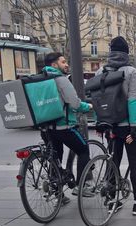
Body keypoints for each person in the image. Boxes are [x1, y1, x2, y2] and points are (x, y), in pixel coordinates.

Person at [95, 36, 136, 215]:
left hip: (109, 126)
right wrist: (134, 126)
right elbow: (133, 101)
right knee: (135, 163)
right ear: (126, 52)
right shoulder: (131, 72)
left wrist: (100, 122)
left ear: (111, 52)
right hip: (126, 127)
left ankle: (112, 200)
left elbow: (97, 100)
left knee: (113, 161)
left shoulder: (100, 72)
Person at [42, 52, 93, 204]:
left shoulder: (39, 79)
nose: (66, 65)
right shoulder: (60, 79)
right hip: (63, 126)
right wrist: (88, 106)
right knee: (83, 149)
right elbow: (74, 103)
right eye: (63, 62)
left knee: (54, 157)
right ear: (54, 65)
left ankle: (58, 193)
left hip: (46, 127)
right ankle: (81, 187)